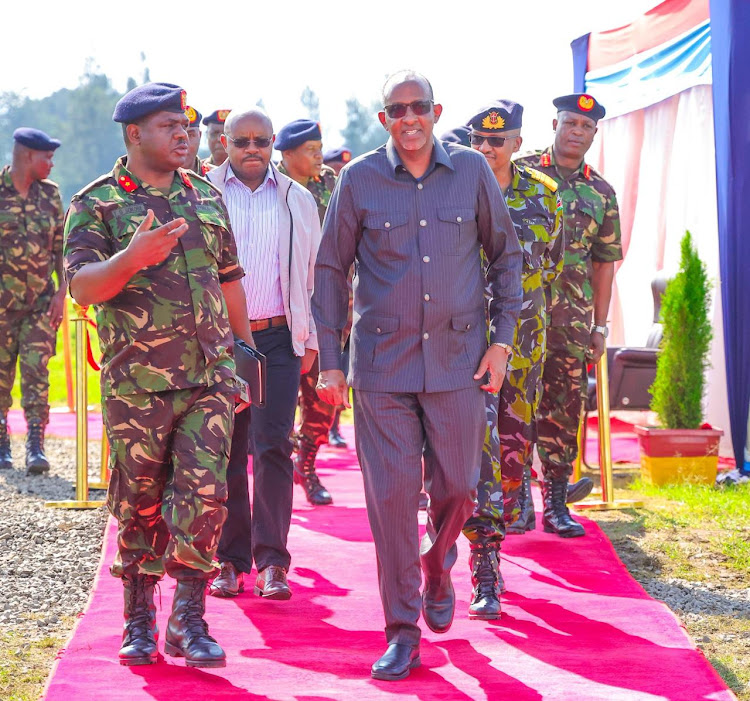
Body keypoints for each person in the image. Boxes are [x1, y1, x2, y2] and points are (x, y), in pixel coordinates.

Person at [313, 70, 522, 681]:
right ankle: (402, 630)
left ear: (435, 111)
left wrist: (501, 343)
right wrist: (331, 358)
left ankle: (437, 563)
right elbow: (330, 269)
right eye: (396, 110)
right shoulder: (359, 179)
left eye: (419, 107)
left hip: (460, 363)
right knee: (392, 501)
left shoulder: (473, 173)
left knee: (458, 485)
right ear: (384, 119)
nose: (409, 118)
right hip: (382, 369)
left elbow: (506, 257)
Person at [64, 82, 254, 668]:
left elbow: (228, 280)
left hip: (210, 379)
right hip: (137, 385)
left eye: (188, 126)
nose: (184, 135)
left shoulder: (203, 195)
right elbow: (80, 287)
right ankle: (139, 616)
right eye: (170, 125)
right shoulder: (95, 204)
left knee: (203, 494)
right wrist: (130, 258)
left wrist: (245, 355)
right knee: (140, 501)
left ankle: (189, 620)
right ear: (134, 133)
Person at [206, 108, 321, 601]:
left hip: (277, 339)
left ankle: (273, 561)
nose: (251, 149)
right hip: (220, 341)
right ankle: (229, 562)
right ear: (225, 144)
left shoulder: (298, 198)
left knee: (273, 447)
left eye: (260, 141)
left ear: (273, 143)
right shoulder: (201, 190)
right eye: (241, 141)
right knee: (226, 451)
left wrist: (311, 337)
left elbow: (314, 275)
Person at [460, 100, 565, 619]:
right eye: (478, 139)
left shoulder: (545, 197)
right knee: (474, 452)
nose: (486, 148)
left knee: (511, 452)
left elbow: (551, 267)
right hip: (464, 349)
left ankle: (497, 529)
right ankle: (485, 564)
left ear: (518, 144)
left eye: (496, 141)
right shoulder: (453, 188)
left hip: (523, 347)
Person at [516, 93, 622, 538]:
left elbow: (604, 264)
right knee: (515, 403)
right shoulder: (519, 172)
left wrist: (600, 325)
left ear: (594, 135)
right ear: (555, 124)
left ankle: (556, 503)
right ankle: (514, 497)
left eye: (586, 127)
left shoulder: (601, 192)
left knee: (564, 408)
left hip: (572, 321)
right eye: (571, 123)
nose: (577, 132)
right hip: (518, 314)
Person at [276, 118, 338, 505]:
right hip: (279, 311)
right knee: (277, 404)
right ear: (287, 155)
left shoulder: (331, 183)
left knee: (322, 401)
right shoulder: (270, 186)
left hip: (325, 311)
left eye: (320, 148)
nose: (319, 155)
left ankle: (308, 464)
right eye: (311, 150)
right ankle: (279, 472)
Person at [0, 127, 65, 474]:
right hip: (1, 306)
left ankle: (36, 446)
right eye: (47, 157)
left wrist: (61, 293)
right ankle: (1, 444)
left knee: (37, 372)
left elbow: (60, 251)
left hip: (40, 304)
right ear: (27, 156)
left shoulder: (50, 196)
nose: (52, 164)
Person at [183, 105, 210, 176]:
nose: (184, 144)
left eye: (190, 135)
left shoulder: (216, 178)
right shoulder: (154, 179)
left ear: (200, 136)